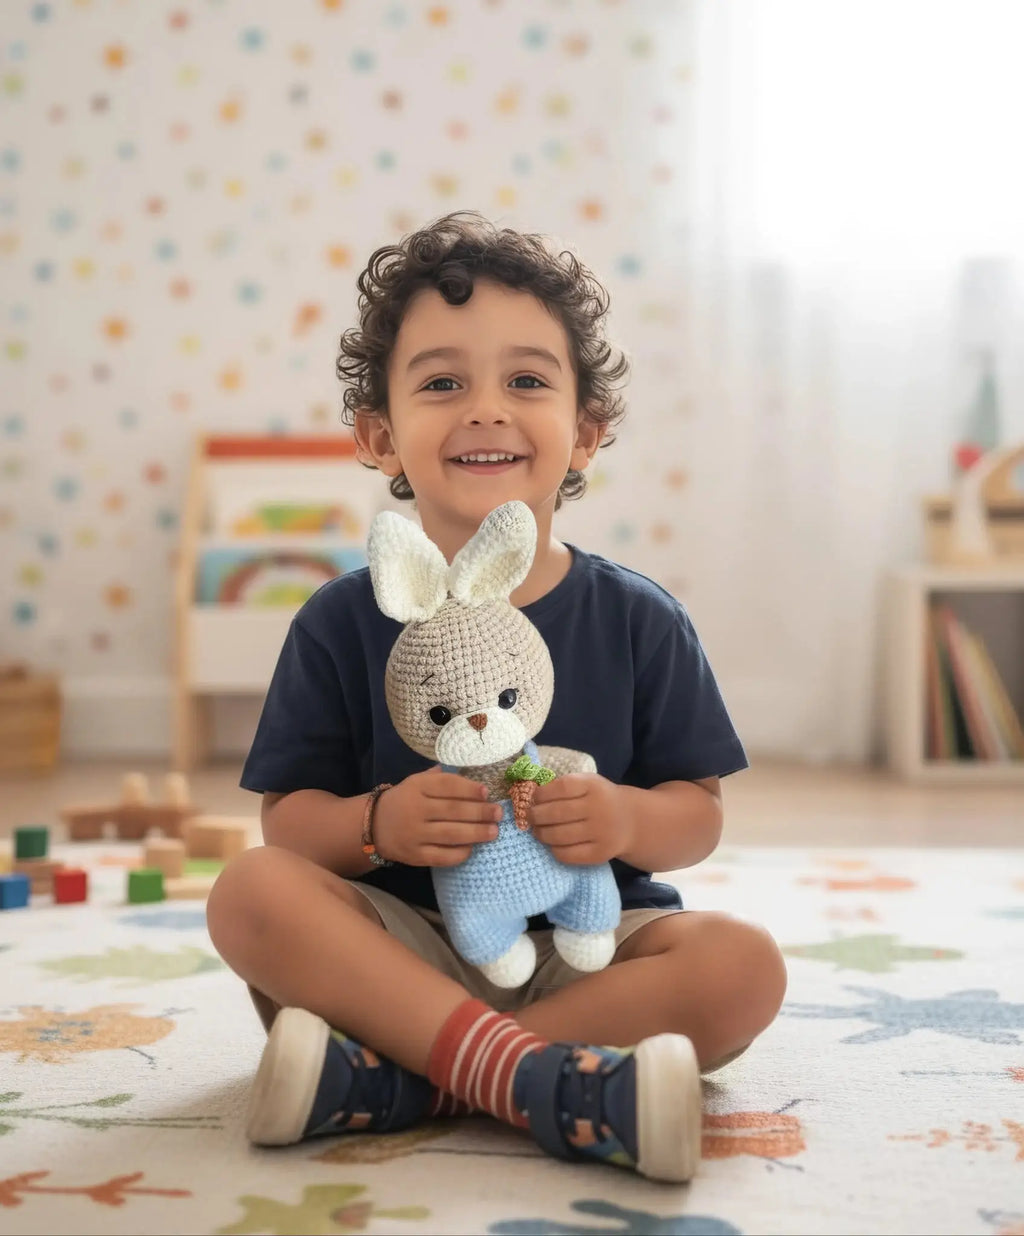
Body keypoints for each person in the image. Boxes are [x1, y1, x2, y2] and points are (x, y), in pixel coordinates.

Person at [206, 210, 787, 1184]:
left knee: (743, 968)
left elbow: (695, 818)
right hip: (396, 958)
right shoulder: (340, 622)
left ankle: (409, 1084)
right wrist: (380, 825)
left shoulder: (639, 621)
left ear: (587, 432)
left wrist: (619, 819)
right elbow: (290, 827)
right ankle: (541, 1080)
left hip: (586, 949)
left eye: (525, 380)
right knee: (249, 895)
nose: (485, 408)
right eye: (442, 383)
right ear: (379, 435)